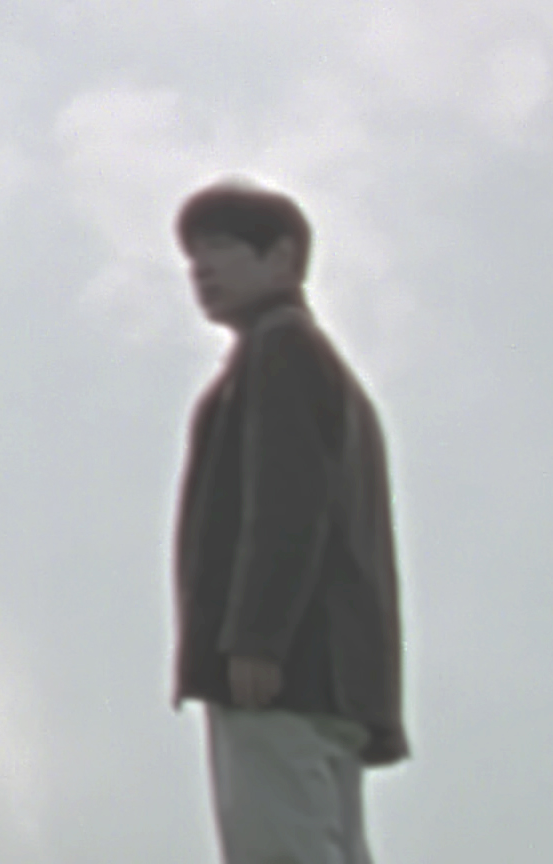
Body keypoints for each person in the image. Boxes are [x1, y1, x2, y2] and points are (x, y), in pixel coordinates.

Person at [170, 179, 405, 864]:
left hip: (284, 673)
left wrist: (257, 637)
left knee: (280, 849)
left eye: (221, 247)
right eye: (193, 256)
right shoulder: (299, 358)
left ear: (283, 258)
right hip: (328, 673)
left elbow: (286, 504)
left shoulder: (281, 352)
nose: (202, 269)